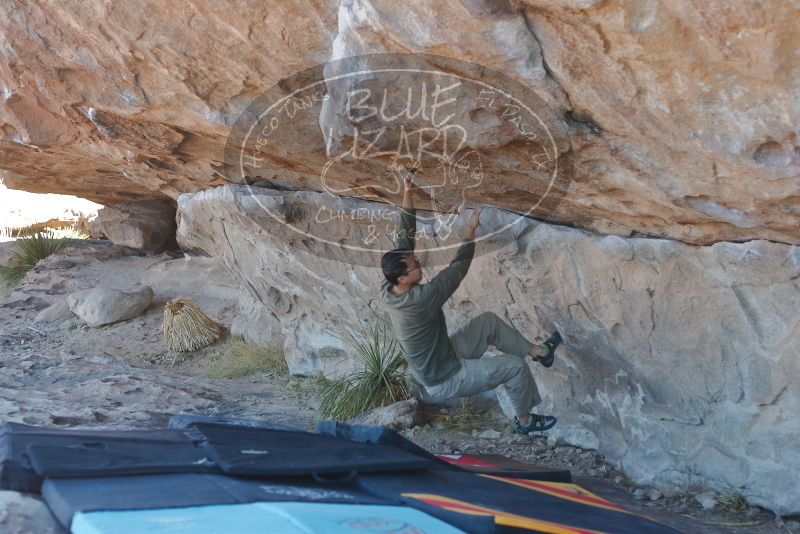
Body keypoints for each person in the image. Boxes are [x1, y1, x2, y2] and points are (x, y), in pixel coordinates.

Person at [379, 177, 562, 434]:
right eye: (414, 265)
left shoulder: (388, 288)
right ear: (401, 278)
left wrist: (408, 193)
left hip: (443, 357)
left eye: (415, 260)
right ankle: (524, 422)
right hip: (447, 378)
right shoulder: (420, 300)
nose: (419, 263)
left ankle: (540, 353)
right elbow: (458, 269)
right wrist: (470, 230)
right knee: (515, 367)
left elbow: (404, 240)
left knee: (488, 322)